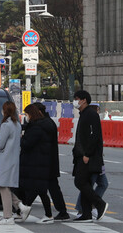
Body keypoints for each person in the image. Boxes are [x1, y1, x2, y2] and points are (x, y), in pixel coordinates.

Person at [72, 90, 107, 222]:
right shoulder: (84, 114)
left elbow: (95, 136)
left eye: (77, 98)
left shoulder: (91, 114)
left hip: (87, 156)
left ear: (84, 100)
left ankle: (99, 204)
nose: (75, 101)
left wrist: (88, 154)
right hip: (81, 155)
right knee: (84, 183)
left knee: (80, 182)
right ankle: (86, 213)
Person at [17, 103, 53, 223]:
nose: (26, 117)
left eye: (27, 114)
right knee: (40, 190)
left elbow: (27, 144)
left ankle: (28, 209)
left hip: (36, 162)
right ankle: (25, 209)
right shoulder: (41, 125)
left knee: (37, 189)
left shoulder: (36, 128)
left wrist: (21, 138)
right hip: (39, 162)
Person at [35, 104, 70, 220]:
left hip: (47, 162)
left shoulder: (45, 124)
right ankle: (62, 211)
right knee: (52, 187)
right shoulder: (47, 122)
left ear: (39, 112)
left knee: (49, 187)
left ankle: (61, 211)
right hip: (48, 161)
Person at [0, 100, 22, 225]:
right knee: (3, 186)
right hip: (13, 158)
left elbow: (0, 144)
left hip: (4, 159)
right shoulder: (17, 124)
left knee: (3, 186)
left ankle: (8, 216)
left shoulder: (6, 125)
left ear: (4, 111)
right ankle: (20, 205)